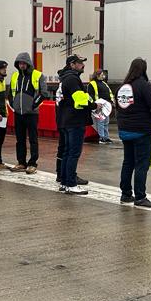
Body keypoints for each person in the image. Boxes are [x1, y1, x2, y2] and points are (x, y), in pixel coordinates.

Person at [116, 57, 151, 208]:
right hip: (142, 131)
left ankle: (126, 194)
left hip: (125, 130)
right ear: (144, 69)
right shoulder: (144, 85)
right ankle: (140, 197)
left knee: (128, 162)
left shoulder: (123, 86)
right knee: (141, 165)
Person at [55, 54, 95, 195]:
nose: (82, 65)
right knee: (73, 153)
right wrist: (94, 105)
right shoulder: (72, 79)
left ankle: (65, 183)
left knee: (67, 152)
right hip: (74, 121)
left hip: (66, 120)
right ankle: (71, 183)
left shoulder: (66, 78)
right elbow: (80, 99)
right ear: (72, 64)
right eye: (79, 63)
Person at [8, 52, 47, 173]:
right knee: (20, 139)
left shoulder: (38, 75)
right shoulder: (15, 76)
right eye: (20, 63)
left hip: (31, 113)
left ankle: (32, 163)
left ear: (28, 63)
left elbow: (44, 93)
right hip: (18, 113)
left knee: (33, 139)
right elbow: (10, 93)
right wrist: (14, 105)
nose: (22, 65)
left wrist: (33, 105)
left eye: (24, 63)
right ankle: (21, 162)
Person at [88, 69, 114, 144]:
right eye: (102, 74)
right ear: (97, 75)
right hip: (99, 106)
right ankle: (101, 137)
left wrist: (111, 101)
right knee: (100, 122)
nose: (104, 76)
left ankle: (106, 137)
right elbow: (90, 95)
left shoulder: (104, 83)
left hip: (105, 106)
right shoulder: (92, 84)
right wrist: (95, 104)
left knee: (106, 122)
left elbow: (110, 93)